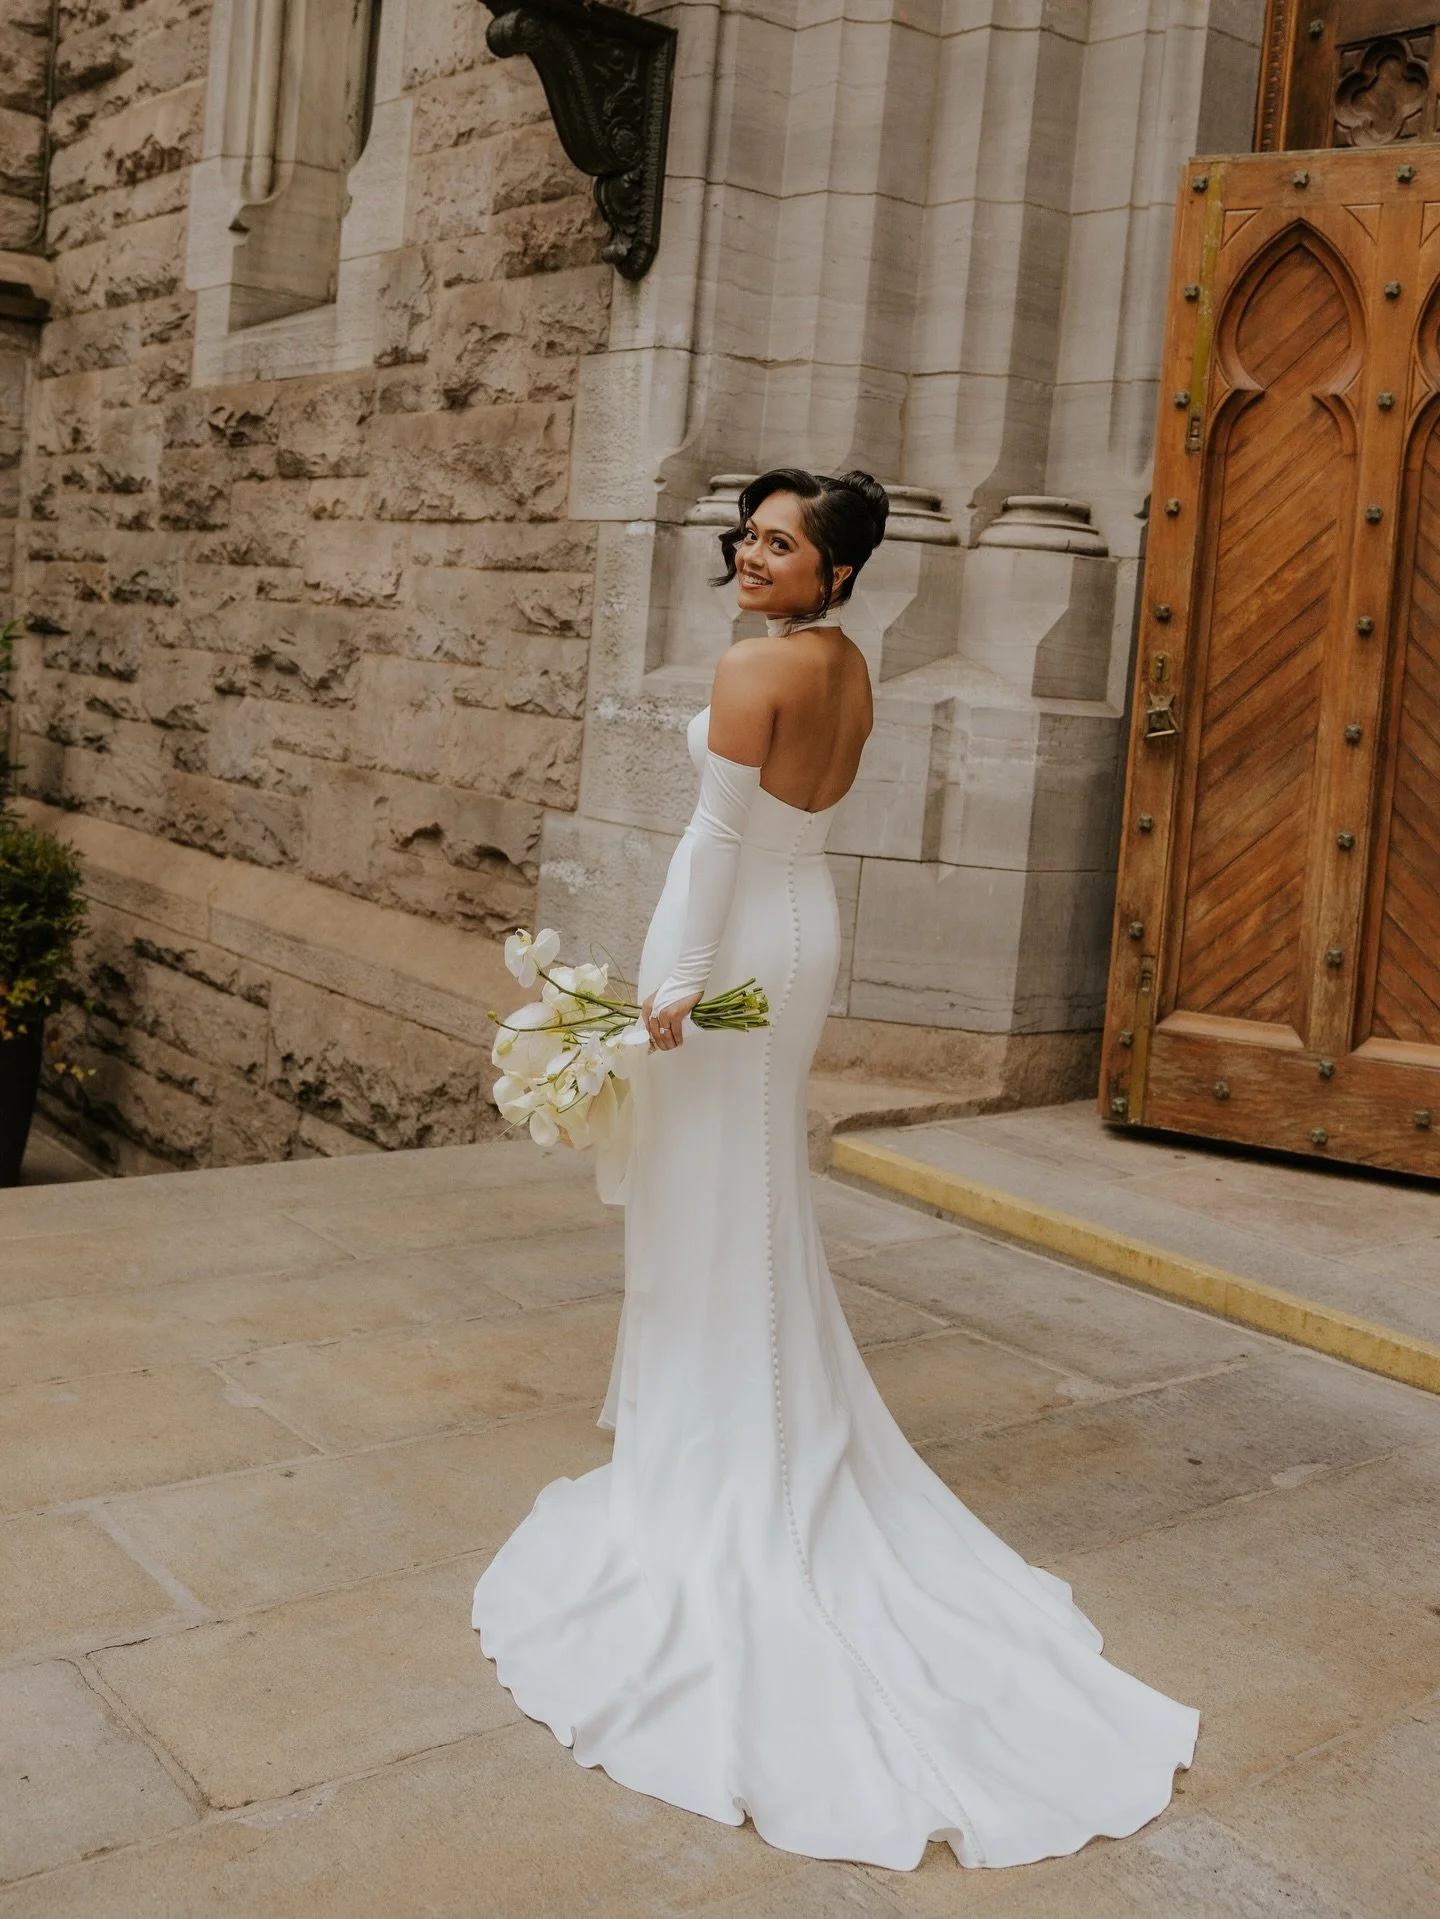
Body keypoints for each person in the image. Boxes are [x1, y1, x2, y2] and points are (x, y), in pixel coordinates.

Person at [472, 468, 1198, 1870]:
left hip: (738, 944)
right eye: (747, 536)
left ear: (837, 571)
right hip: (804, 930)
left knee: (719, 1203)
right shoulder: (847, 665)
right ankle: (736, 1425)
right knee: (743, 1201)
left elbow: (709, 838)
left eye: (782, 543)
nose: (752, 555)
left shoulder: (760, 665)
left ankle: (731, 1472)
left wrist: (665, 988)